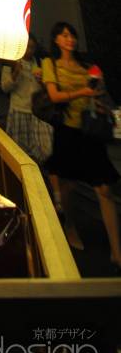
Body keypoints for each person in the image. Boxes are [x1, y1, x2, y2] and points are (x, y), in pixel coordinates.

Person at [42, 21, 121, 270]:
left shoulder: (88, 66)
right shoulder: (50, 65)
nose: (70, 39)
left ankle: (117, 252)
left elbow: (100, 93)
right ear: (56, 39)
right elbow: (54, 96)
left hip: (90, 131)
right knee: (69, 186)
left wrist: (98, 95)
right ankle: (70, 225)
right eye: (64, 35)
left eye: (72, 35)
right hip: (67, 131)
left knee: (104, 189)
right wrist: (83, 93)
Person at [1, 34, 53, 166]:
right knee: (20, 152)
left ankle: (40, 175)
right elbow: (5, 87)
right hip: (19, 111)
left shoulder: (39, 63)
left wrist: (42, 82)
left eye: (32, 47)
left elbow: (47, 89)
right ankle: (27, 178)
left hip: (38, 113)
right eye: (27, 46)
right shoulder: (11, 64)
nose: (29, 50)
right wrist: (16, 73)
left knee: (44, 150)